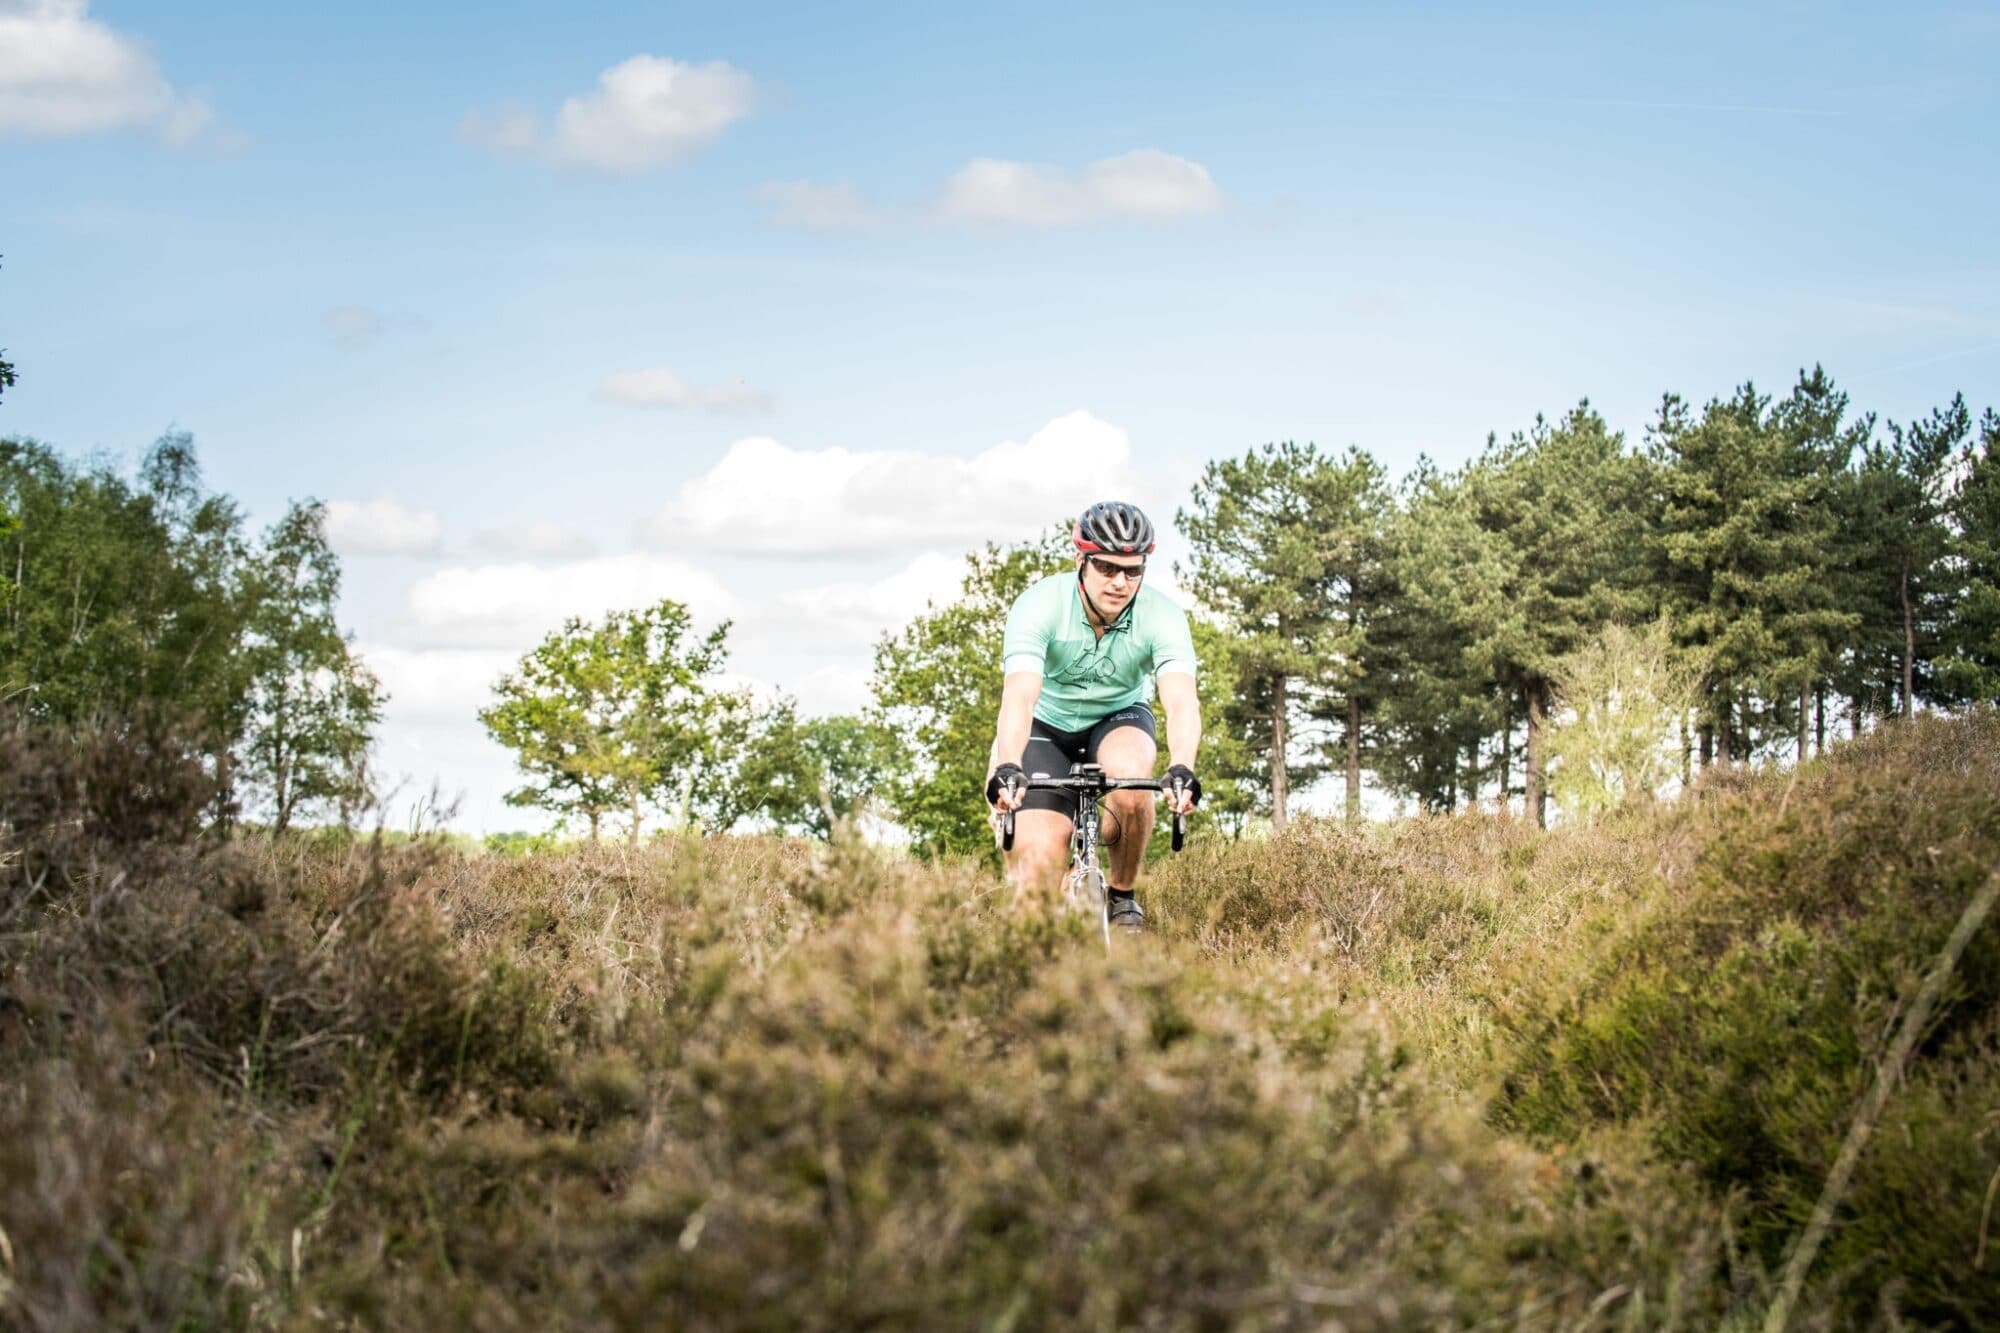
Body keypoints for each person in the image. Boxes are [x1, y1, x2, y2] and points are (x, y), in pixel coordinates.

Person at [984, 500, 1202, 930]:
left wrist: (1183, 767)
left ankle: (1122, 895)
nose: (1120, 582)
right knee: (1035, 885)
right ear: (1080, 560)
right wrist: (1008, 763)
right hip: (1045, 725)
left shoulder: (1163, 616)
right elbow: (1019, 696)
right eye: (1106, 568)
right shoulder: (1040, 605)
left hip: (1119, 716)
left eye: (1132, 570)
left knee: (1132, 779)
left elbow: (1180, 701)